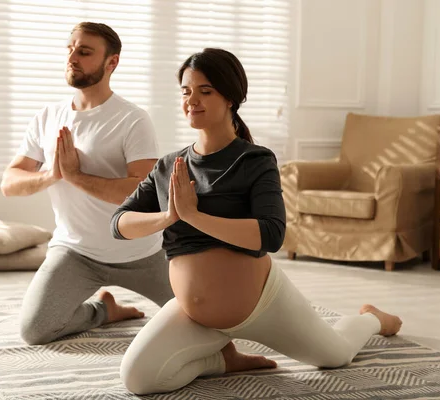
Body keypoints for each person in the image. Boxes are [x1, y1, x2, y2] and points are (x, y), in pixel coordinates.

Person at [109, 48, 403, 395]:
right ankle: (221, 359)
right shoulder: (167, 167)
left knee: (335, 356)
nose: (192, 100)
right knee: (138, 380)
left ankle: (371, 318)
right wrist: (170, 216)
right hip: (196, 315)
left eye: (205, 91)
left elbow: (271, 234)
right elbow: (119, 223)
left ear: (231, 97)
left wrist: (195, 216)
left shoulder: (255, 160)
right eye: (186, 91)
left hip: (264, 304)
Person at [0, 22, 174, 346]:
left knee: (205, 321)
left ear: (112, 63)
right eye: (69, 49)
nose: (72, 57)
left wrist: (76, 177)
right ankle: (103, 311)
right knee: (34, 330)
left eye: (84, 51)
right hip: (75, 252)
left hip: (143, 253)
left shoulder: (132, 119)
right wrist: (52, 175)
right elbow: (9, 182)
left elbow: (143, 192)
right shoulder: (47, 117)